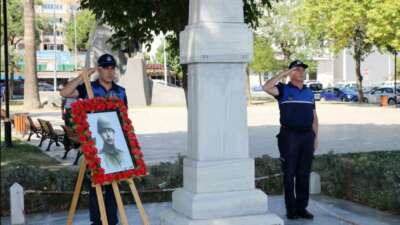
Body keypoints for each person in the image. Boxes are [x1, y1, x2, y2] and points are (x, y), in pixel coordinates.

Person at [60, 53, 127, 225]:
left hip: (114, 144)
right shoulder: (88, 88)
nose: (109, 71)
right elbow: (65, 92)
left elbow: (124, 119)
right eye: (105, 68)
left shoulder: (120, 92)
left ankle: (112, 221)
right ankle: (96, 221)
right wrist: (81, 77)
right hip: (94, 145)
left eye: (112, 68)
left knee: (113, 186)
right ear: (99, 69)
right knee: (96, 185)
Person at [263, 60, 319, 220]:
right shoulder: (283, 90)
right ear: (291, 73)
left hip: (307, 136)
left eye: (303, 70)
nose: (302, 73)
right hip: (289, 137)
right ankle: (291, 209)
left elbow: (314, 117)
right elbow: (266, 87)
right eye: (298, 70)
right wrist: (283, 74)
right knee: (289, 174)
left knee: (304, 173)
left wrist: (316, 137)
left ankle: (302, 207)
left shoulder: (309, 93)